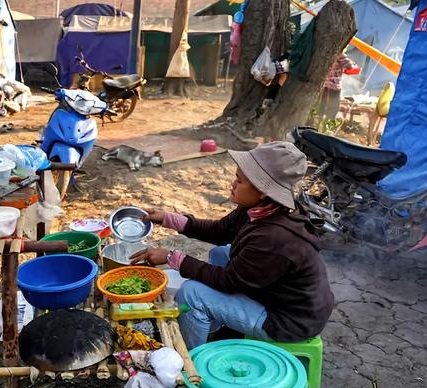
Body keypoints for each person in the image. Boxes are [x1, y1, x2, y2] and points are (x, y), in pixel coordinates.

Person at [130, 142, 334, 348]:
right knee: (221, 253)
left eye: (239, 180)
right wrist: (167, 218)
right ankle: (217, 327)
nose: (232, 184)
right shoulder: (261, 208)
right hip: (274, 295)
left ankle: (190, 362)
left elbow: (228, 281)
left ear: (263, 190)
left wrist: (170, 258)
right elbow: (220, 231)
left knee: (191, 293)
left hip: (287, 321)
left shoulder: (274, 238)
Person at [319, 52, 360, 123]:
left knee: (323, 104)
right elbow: (350, 66)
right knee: (333, 106)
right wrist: (352, 64)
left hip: (325, 84)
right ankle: (327, 124)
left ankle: (319, 122)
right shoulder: (341, 56)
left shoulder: (327, 52)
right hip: (334, 85)